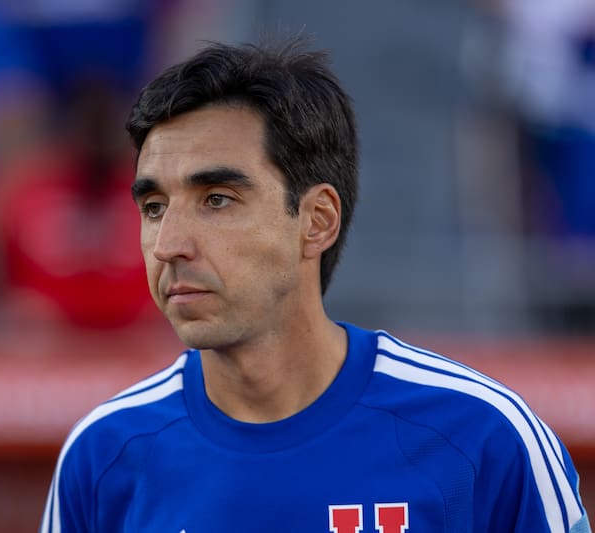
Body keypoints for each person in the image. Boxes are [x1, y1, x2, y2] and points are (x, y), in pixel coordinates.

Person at [40, 36, 591, 532]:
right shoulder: (101, 457)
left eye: (217, 200)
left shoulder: (484, 439)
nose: (168, 245)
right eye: (154, 207)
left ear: (317, 220)